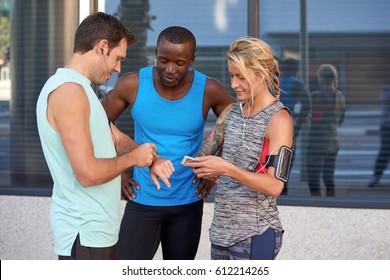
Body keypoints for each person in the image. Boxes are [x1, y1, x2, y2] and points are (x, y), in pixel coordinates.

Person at [101, 26, 235, 260]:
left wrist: (215, 171)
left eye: (180, 63)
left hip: (188, 204)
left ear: (192, 60)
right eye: (163, 60)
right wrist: (120, 170)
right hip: (142, 200)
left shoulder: (209, 89)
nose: (170, 69)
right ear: (155, 53)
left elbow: (238, 126)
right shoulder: (131, 84)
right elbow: (98, 123)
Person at [36, 12, 157, 260]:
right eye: (117, 58)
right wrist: (134, 159)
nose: (118, 68)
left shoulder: (82, 90)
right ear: (102, 47)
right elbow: (87, 173)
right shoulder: (68, 92)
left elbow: (116, 138)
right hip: (84, 234)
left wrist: (153, 158)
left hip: (98, 234)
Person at [185, 37, 294, 260]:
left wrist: (225, 169)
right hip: (220, 235)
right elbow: (202, 157)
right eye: (232, 75)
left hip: (255, 234)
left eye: (241, 77)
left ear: (261, 73)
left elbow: (275, 186)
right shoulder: (231, 113)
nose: (234, 84)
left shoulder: (278, 119)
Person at [306, 64, 346, 197]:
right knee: (329, 179)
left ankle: (318, 208)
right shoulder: (340, 96)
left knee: (313, 180)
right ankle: (331, 206)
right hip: (333, 143)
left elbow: (314, 119)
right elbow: (340, 121)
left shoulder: (316, 96)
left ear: (321, 78)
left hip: (317, 143)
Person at [279, 58, 311, 194]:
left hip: (270, 124)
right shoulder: (296, 84)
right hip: (287, 126)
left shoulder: (274, 82)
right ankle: (283, 185)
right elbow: (307, 103)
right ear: (296, 70)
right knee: (287, 155)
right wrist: (298, 124)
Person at [368, 84, 390, 188]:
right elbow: (386, 99)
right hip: (387, 126)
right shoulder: (386, 89)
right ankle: (376, 177)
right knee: (385, 151)